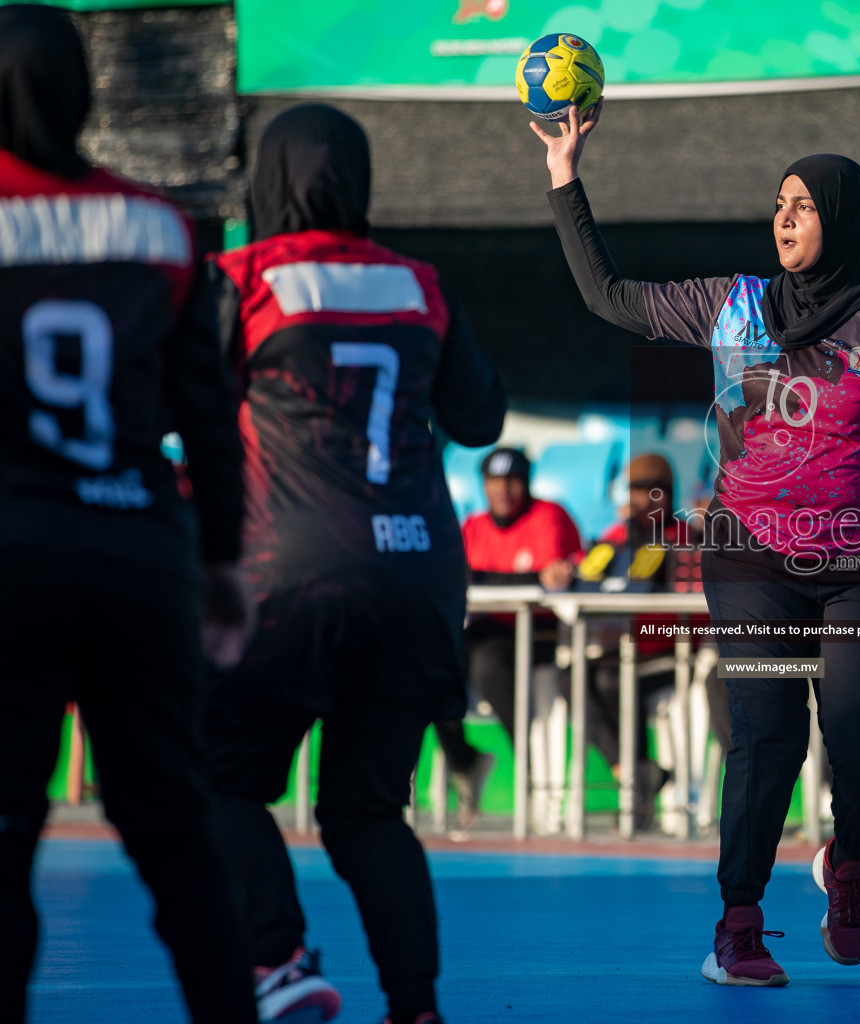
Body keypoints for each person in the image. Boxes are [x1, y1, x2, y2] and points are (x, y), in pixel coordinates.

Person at [530, 103, 860, 986]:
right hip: (750, 561)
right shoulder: (732, 304)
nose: (784, 216)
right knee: (766, 732)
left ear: (844, 219)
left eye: (804, 204)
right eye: (779, 202)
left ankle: (847, 861)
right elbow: (610, 298)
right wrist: (565, 177)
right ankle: (738, 924)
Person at [201, 104, 507, 1024]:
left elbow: (182, 403)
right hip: (416, 579)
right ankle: (414, 1005)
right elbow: (482, 422)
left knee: (215, 779)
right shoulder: (422, 286)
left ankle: (278, 958)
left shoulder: (245, 277)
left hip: (286, 576)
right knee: (369, 813)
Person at [0, 7, 257, 1022]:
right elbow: (206, 412)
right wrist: (223, 561)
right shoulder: (162, 227)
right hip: (137, 555)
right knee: (173, 828)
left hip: (12, 559)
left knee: (8, 830)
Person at [435, 445, 585, 832]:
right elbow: (463, 576)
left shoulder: (548, 515)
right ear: (483, 486)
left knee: (487, 665)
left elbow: (548, 580)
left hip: (541, 633)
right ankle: (466, 762)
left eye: (513, 481)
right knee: (432, 669)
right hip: (486, 626)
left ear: (527, 483)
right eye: (495, 482)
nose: (504, 490)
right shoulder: (473, 525)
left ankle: (532, 768)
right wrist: (526, 577)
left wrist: (503, 577)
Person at [576, 452, 698, 829]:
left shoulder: (686, 538)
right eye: (634, 490)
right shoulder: (614, 536)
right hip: (622, 652)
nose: (640, 500)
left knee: (612, 681)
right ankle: (635, 771)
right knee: (574, 678)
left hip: (674, 654)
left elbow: (689, 605)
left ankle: (638, 786)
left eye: (650, 491)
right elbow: (585, 577)